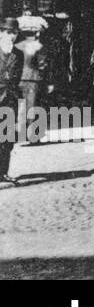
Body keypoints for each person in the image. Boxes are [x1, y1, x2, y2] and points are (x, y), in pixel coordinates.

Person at [14, 17, 50, 145]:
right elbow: (42, 65)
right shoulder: (39, 46)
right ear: (37, 32)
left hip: (18, 79)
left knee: (21, 107)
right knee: (33, 107)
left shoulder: (17, 46)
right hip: (34, 79)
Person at [1, 18, 23, 183]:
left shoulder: (18, 54)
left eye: (14, 33)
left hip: (10, 101)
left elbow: (17, 78)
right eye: (9, 32)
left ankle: (3, 173)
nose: (12, 36)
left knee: (7, 138)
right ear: (1, 32)